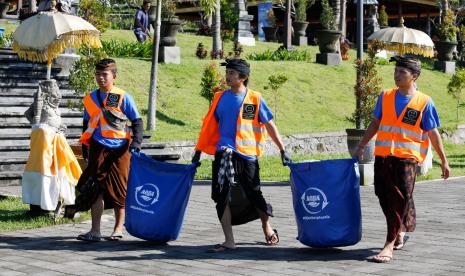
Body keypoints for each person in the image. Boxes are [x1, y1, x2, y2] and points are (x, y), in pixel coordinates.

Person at [356, 56, 450, 263]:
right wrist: (362, 144)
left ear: (414, 76)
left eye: (402, 72)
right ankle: (400, 230)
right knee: (383, 195)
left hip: (407, 159)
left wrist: (443, 160)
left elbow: (433, 133)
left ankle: (388, 244)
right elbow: (375, 123)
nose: (396, 75)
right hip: (383, 156)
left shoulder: (424, 102)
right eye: (396, 70)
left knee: (400, 198)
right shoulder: (386, 96)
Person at [192, 58, 291, 252]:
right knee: (220, 197)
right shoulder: (219, 97)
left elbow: (270, 125)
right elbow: (208, 128)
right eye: (227, 72)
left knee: (254, 193)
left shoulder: (254, 99)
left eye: (231, 73)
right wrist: (198, 151)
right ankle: (229, 241)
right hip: (223, 154)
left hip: (247, 156)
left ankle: (266, 226)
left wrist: (282, 149)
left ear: (243, 77)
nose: (227, 76)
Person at [65, 59, 144, 242]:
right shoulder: (90, 98)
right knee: (95, 188)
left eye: (105, 75)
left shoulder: (123, 96)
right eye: (98, 74)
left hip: (120, 150)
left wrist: (136, 144)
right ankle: (95, 230)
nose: (101, 78)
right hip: (97, 147)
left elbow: (137, 121)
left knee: (119, 189)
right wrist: (86, 148)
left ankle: (118, 229)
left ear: (114, 76)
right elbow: (86, 125)